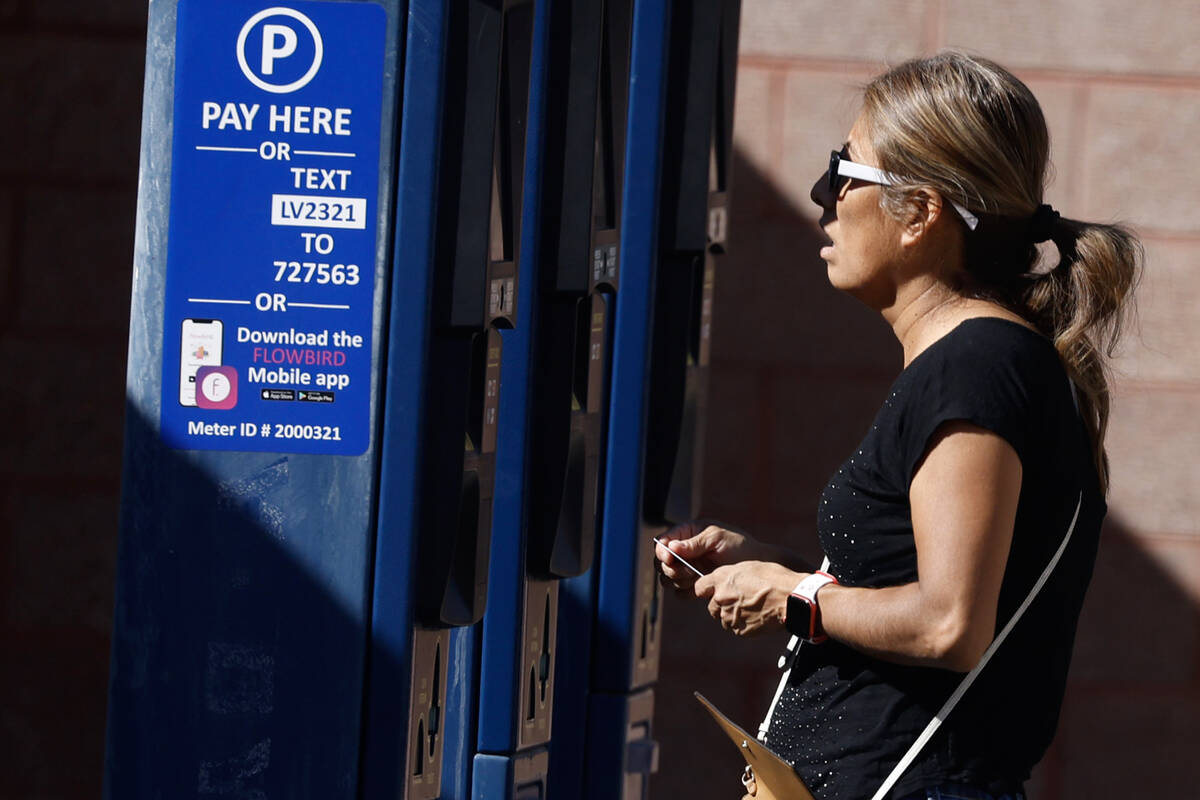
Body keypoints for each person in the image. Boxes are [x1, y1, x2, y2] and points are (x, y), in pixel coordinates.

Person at [656, 51, 1140, 800]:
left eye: (843, 172)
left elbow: (949, 623)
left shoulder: (977, 366)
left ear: (919, 213)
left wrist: (792, 595)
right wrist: (764, 566)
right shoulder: (977, 361)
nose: (823, 198)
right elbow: (907, 591)